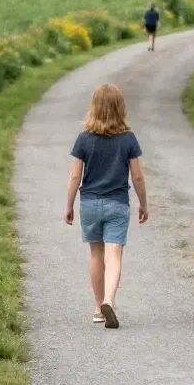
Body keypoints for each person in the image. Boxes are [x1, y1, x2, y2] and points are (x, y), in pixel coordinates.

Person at [64, 84, 149, 329]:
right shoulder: (128, 139)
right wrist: (143, 204)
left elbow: (74, 176)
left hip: (90, 203)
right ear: (120, 108)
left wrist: (69, 205)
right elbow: (138, 177)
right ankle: (109, 300)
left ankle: (98, 307)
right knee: (114, 256)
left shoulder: (84, 139)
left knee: (96, 254)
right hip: (117, 204)